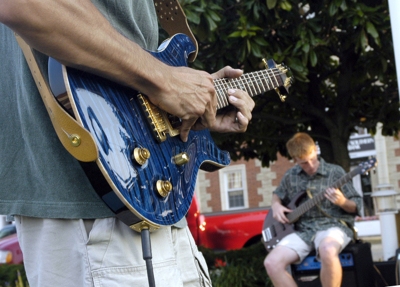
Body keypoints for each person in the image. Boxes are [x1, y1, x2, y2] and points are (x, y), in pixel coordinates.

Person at [0, 1, 255, 286]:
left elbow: (137, 75)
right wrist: (165, 81)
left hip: (152, 206)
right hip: (94, 213)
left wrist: (194, 101)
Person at [263, 132, 362, 287]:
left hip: (333, 225)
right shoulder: (291, 176)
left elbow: (357, 205)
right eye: (303, 163)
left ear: (315, 150)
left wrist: (342, 202)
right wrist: (276, 205)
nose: (310, 166)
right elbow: (278, 194)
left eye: (312, 159)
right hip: (302, 231)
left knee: (327, 249)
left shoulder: (335, 172)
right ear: (294, 160)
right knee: (271, 263)